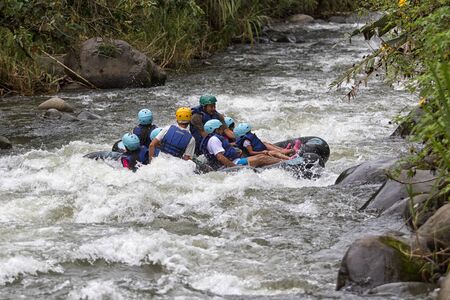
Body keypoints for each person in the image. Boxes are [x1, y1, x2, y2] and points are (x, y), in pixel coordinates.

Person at [200, 119, 282, 170]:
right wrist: (233, 167)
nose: (222, 130)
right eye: (220, 128)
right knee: (262, 158)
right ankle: (286, 163)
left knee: (260, 157)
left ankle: (282, 161)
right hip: (234, 163)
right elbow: (220, 157)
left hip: (234, 161)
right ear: (215, 129)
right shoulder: (214, 139)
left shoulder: (213, 138)